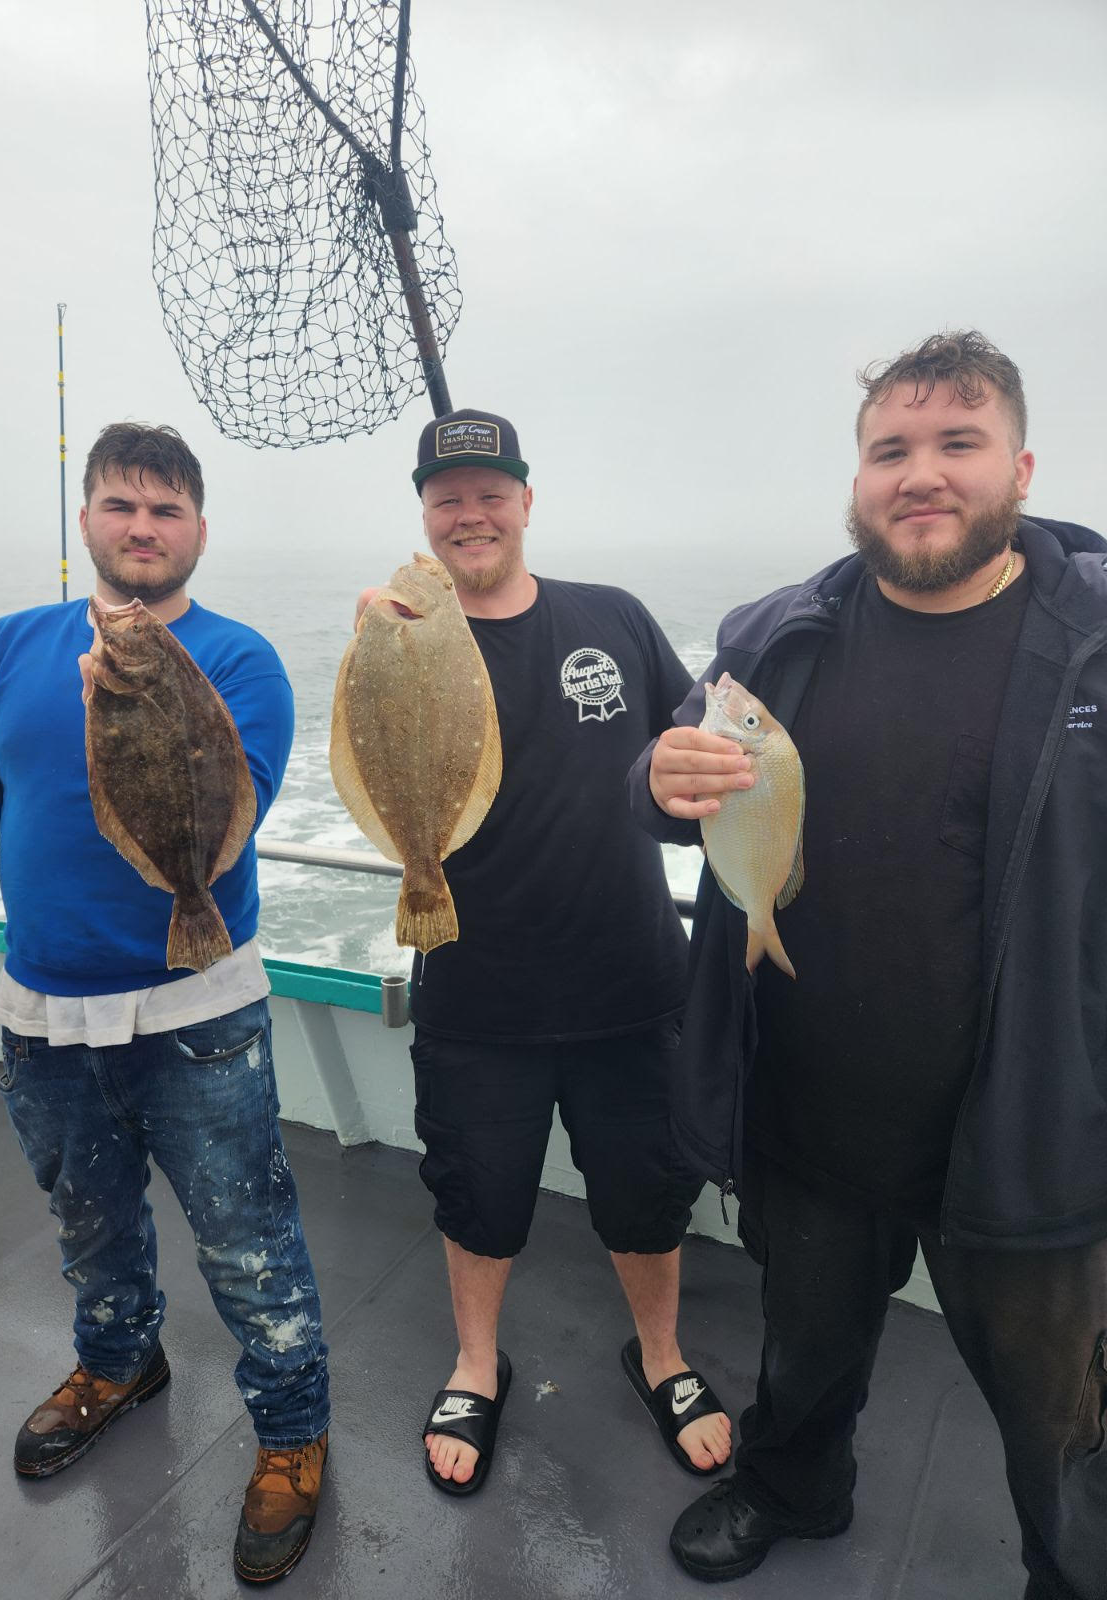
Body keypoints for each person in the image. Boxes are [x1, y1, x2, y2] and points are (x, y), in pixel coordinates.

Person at [632, 332, 1107, 1598]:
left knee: (1062, 1414)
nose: (922, 473)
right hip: (814, 1113)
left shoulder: (1094, 639)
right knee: (803, 1350)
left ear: (1021, 467)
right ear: (858, 478)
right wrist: (657, 778)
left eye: (959, 442)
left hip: (1029, 1126)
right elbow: (672, 778)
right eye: (891, 448)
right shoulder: (777, 636)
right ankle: (793, 1485)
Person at [0, 424, 330, 1587]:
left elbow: (235, 794)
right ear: (87, 517)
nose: (143, 527)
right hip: (43, 1016)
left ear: (200, 531)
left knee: (248, 1242)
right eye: (121, 505)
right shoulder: (5, 649)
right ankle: (118, 1361)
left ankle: (293, 1429)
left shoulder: (237, 658)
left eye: (166, 510)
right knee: (90, 1227)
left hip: (200, 1013)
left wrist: (136, 699)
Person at [357, 407, 733, 1496]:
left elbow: (688, 750)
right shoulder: (400, 635)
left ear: (527, 501)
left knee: (647, 1196)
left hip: (631, 984)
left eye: (491, 493)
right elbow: (368, 758)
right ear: (423, 513)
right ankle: (476, 1364)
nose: (470, 514)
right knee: (477, 1198)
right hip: (477, 992)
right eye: (447, 498)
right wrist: (373, 652)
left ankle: (661, 1355)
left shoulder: (613, 617)